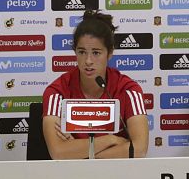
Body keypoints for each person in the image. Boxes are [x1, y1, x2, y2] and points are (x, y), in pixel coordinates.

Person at [42, 10, 149, 159]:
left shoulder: (128, 90)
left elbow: (139, 149)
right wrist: (111, 140)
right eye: (82, 52)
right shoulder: (57, 92)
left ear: (110, 53)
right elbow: (58, 152)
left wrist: (82, 153)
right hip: (71, 178)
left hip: (118, 176)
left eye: (96, 53)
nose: (88, 61)